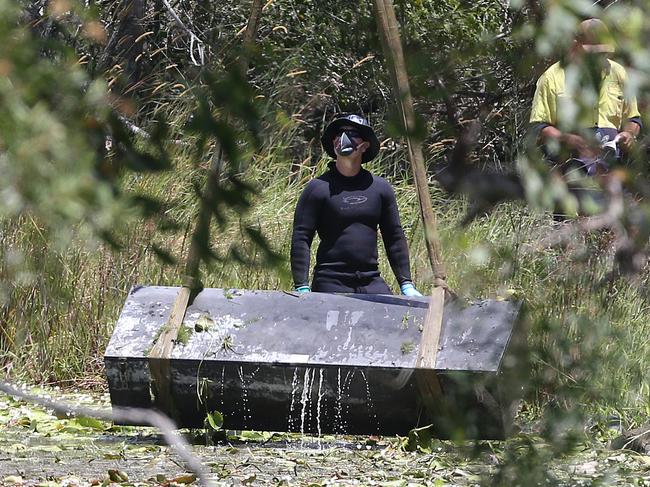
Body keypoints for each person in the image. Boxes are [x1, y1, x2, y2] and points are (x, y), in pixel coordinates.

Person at [290, 113, 422, 296]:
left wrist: (406, 284)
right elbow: (301, 237)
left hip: (371, 281)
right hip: (330, 282)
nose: (343, 139)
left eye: (352, 133)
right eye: (339, 133)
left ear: (365, 145)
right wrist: (301, 286)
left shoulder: (380, 189)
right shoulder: (317, 189)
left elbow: (394, 237)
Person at [529, 18, 642, 174]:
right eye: (592, 53)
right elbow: (539, 127)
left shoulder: (619, 73)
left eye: (603, 52)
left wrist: (628, 134)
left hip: (611, 166)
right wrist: (566, 139)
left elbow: (633, 119)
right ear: (575, 45)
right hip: (569, 167)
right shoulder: (552, 77)